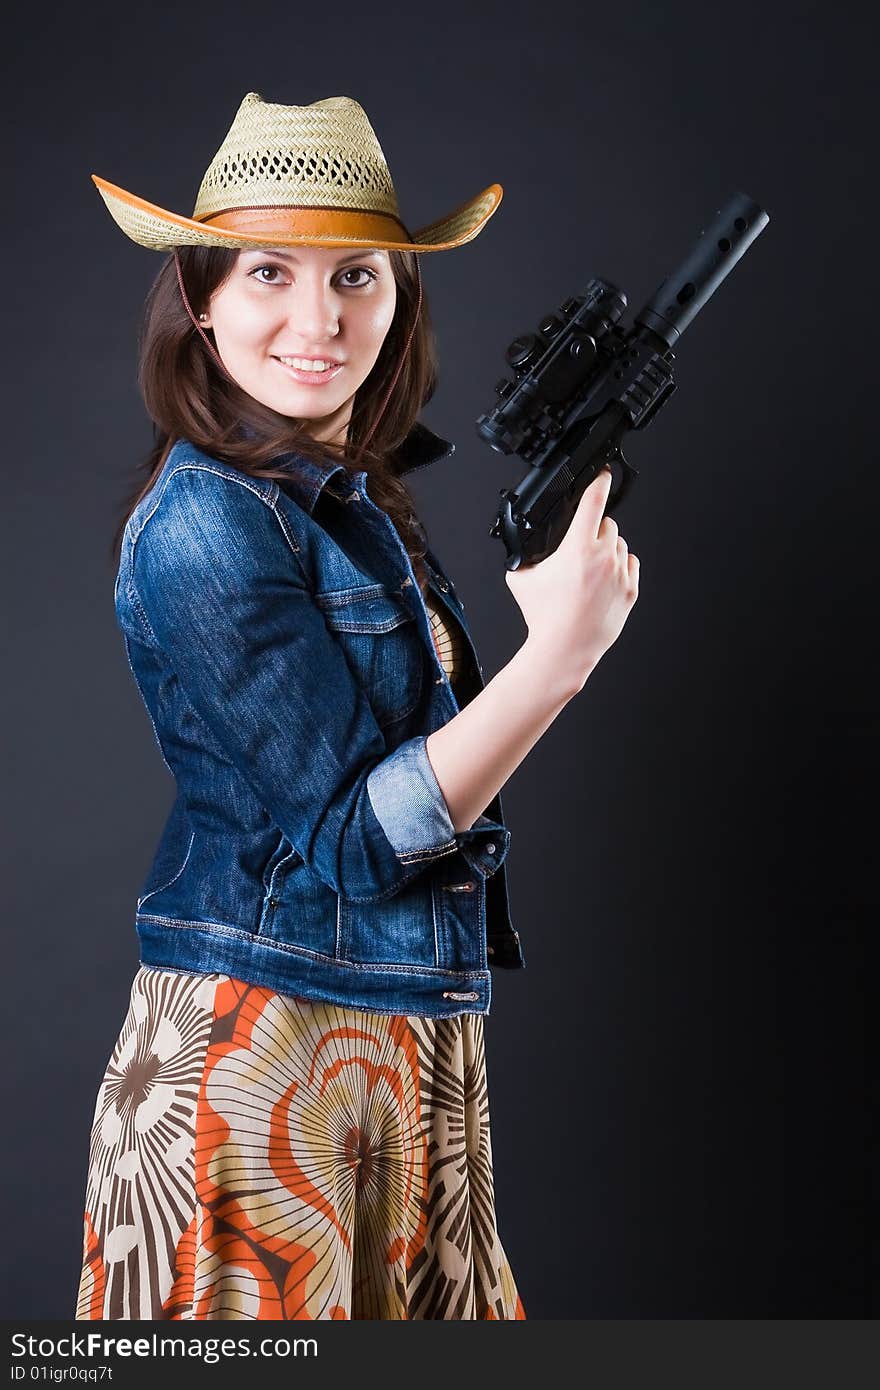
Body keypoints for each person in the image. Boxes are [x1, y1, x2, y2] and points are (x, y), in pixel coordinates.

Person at [76, 91, 639, 1322]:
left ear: (400, 296)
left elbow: (423, 782)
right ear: (201, 294)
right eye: (271, 271)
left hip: (407, 1050)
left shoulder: (351, 499)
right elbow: (356, 840)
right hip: (258, 1061)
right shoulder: (201, 526)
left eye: (358, 277)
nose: (316, 320)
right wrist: (557, 659)